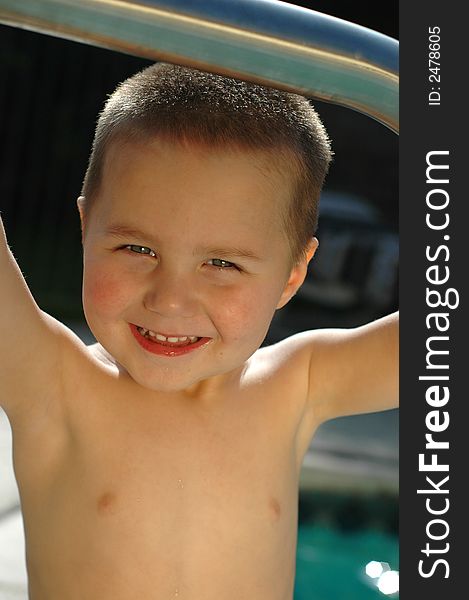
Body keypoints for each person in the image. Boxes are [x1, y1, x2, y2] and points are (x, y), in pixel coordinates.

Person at [0, 62, 398, 599]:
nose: (169, 299)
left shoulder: (296, 385)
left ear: (292, 275)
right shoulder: (52, 384)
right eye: (137, 249)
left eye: (223, 264)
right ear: (84, 228)